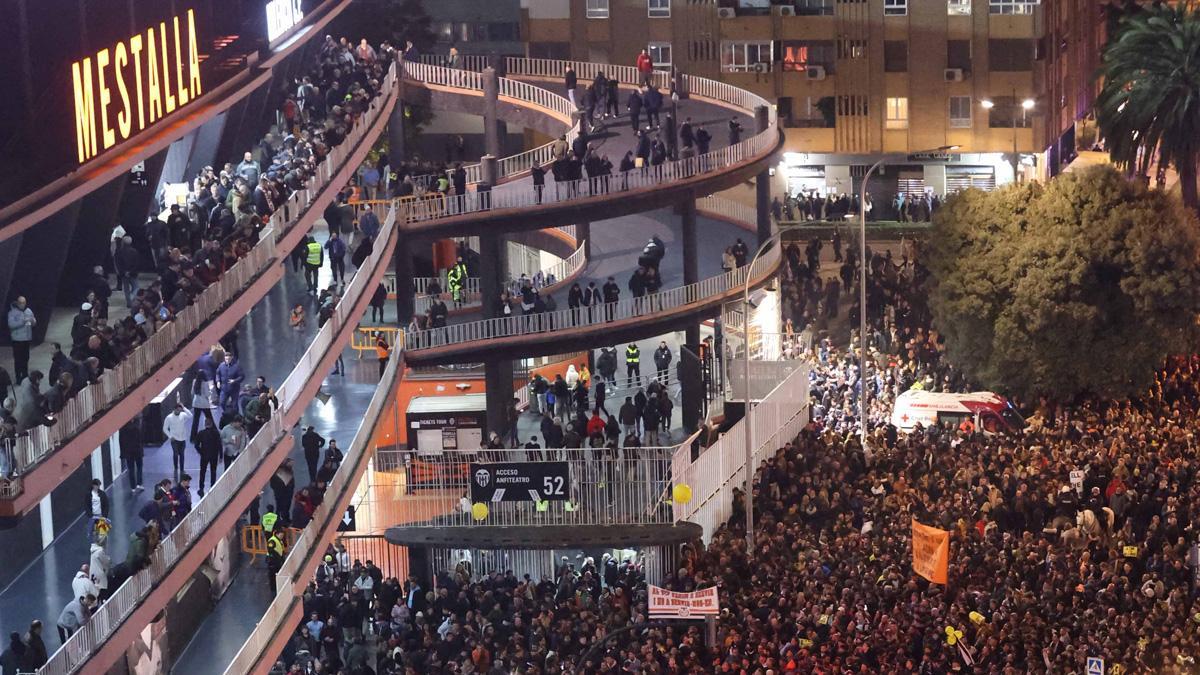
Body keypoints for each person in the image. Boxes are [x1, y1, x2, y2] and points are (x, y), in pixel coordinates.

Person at [7, 297, 35, 384]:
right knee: (18, 359)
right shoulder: (12, 313)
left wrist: (32, 321)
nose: (23, 304)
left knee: (26, 358)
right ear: (18, 303)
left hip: (26, 339)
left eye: (24, 302)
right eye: (21, 303)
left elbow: (33, 322)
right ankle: (18, 377)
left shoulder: (28, 311)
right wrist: (22, 321)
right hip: (17, 340)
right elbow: (11, 324)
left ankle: (25, 376)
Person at [162, 402, 193, 479]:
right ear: (174, 409)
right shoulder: (169, 417)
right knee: (175, 454)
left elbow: (190, 415)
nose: (179, 412)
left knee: (182, 454)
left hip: (182, 438)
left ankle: (182, 469)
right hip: (174, 439)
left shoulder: (182, 414)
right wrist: (170, 436)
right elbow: (165, 428)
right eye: (177, 410)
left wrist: (184, 408)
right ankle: (176, 467)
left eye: (180, 410)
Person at [195, 422, 222, 496]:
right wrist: (221, 456)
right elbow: (219, 444)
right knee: (213, 471)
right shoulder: (216, 433)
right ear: (211, 424)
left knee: (202, 472)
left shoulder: (201, 433)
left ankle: (201, 487)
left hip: (204, 456)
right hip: (214, 455)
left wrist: (201, 452)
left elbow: (196, 445)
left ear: (205, 425)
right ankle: (212, 486)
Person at [120, 415, 144, 492]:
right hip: (137, 450)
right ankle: (139, 484)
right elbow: (140, 440)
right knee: (139, 467)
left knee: (131, 469)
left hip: (128, 451)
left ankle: (133, 486)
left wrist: (122, 453)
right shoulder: (137, 426)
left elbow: (121, 441)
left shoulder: (123, 427)